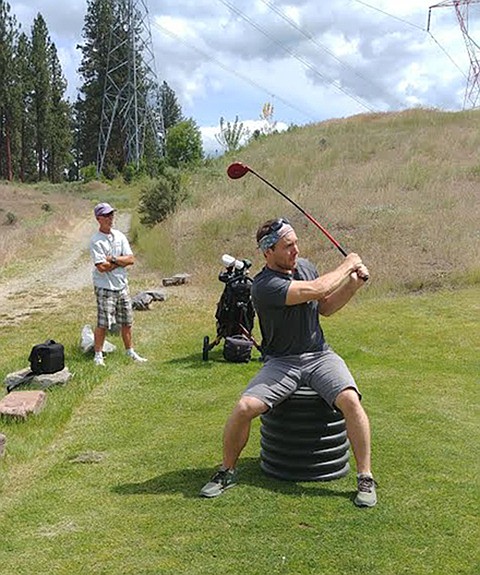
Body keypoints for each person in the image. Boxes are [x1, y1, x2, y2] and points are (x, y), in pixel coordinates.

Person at [200, 217, 377, 507]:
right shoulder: (264, 285)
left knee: (351, 400)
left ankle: (365, 477)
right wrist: (349, 264)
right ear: (268, 252)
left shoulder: (305, 267)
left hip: (319, 354)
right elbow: (318, 290)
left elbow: (326, 307)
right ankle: (227, 471)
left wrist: (353, 285)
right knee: (245, 408)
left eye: (295, 243)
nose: (295, 250)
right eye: (287, 246)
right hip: (282, 362)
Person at [90, 202, 147, 366]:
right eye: (106, 216)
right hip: (104, 287)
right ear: (98, 218)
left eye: (111, 215)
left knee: (127, 321)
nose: (110, 218)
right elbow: (101, 267)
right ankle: (98, 355)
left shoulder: (119, 236)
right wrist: (120, 262)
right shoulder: (96, 241)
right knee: (103, 323)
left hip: (122, 285)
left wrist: (113, 260)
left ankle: (130, 351)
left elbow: (131, 259)